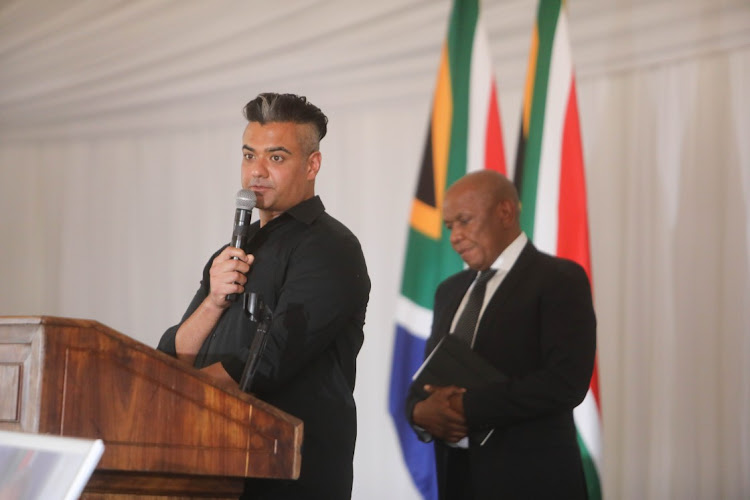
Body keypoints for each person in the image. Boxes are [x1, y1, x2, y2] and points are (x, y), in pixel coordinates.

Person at [157, 93, 370, 500]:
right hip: (215, 464)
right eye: (248, 155)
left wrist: (172, 402)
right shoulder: (235, 249)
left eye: (276, 158)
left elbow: (269, 361)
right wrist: (213, 301)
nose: (256, 171)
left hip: (288, 472)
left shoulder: (331, 247)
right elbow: (176, 354)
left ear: (312, 165)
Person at [406, 170, 596, 499]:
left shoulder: (558, 279)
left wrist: (466, 406)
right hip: (458, 481)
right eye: (450, 226)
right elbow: (429, 378)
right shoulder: (449, 292)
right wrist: (418, 412)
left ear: (505, 212)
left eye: (464, 221)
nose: (454, 237)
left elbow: (565, 382)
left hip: (534, 483)